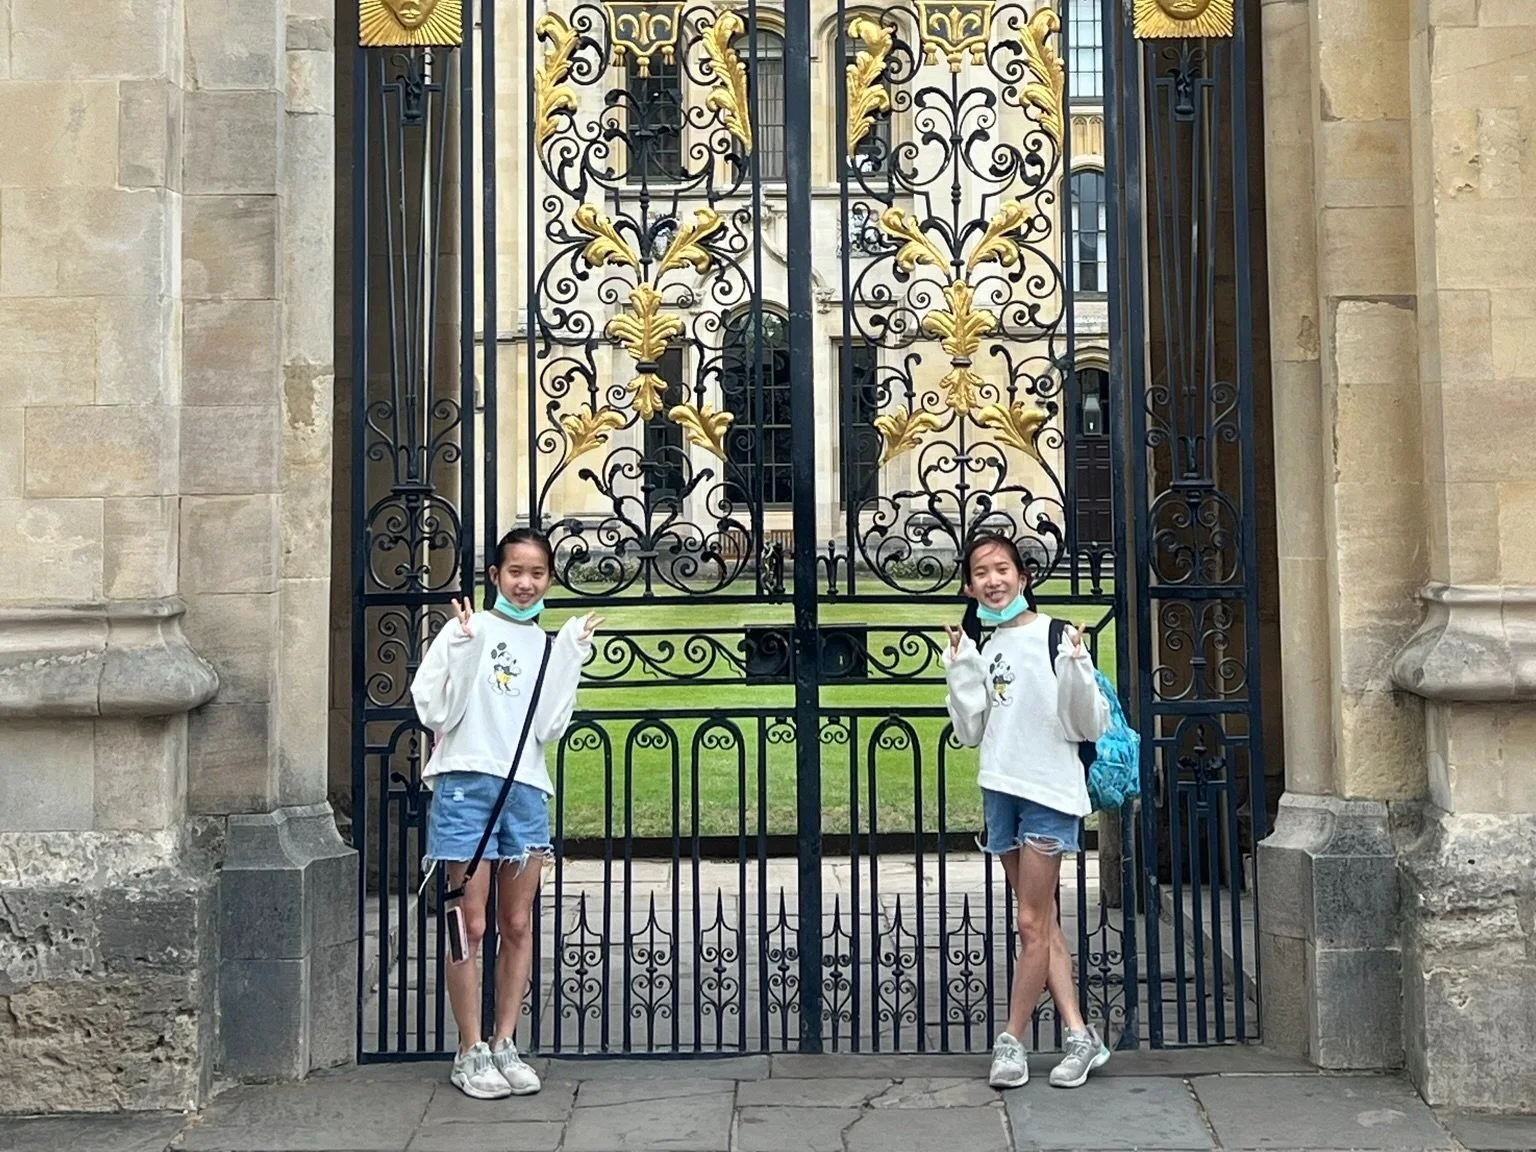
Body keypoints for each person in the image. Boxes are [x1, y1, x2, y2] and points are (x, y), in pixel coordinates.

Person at [410, 527, 599, 1100]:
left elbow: (548, 727)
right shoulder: (465, 630)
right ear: (495, 575)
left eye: (537, 573)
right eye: (515, 571)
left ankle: (504, 1042)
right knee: (467, 924)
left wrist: (571, 657)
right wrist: (466, 650)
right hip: (466, 786)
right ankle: (468, 1048)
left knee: (517, 924)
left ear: (549, 580)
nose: (525, 583)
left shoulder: (547, 646)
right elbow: (433, 708)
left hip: (525, 792)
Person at [942, 532, 1111, 1090]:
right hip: (1001, 790)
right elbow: (970, 730)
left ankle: (1011, 1041)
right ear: (969, 587)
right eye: (981, 573)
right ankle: (1081, 1036)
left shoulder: (1057, 635)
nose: (993, 581)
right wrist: (960, 668)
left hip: (1049, 792)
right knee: (1044, 921)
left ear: (1023, 576)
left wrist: (1078, 668)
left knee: (1030, 923)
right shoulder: (983, 647)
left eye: (1002, 569)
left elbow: (1088, 724)